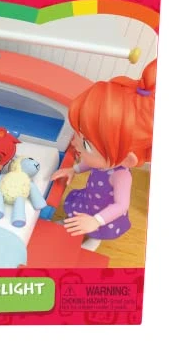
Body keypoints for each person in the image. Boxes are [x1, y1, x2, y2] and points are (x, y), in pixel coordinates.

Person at [51, 60, 156, 239]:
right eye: (78, 135)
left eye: (86, 144)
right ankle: (75, 224)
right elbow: (91, 164)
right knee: (79, 217)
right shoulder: (103, 161)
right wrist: (73, 169)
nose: (75, 143)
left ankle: (94, 238)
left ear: (126, 159)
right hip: (89, 200)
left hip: (103, 213)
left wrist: (96, 221)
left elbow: (121, 206)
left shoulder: (121, 176)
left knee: (95, 231)